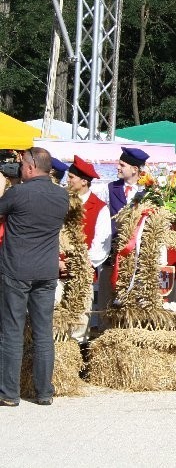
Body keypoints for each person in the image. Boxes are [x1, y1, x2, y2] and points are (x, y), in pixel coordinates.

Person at [0, 147, 69, 406]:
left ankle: (9, 393)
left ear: (29, 167)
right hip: (46, 271)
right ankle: (44, 392)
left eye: (21, 166)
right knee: (43, 332)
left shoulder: (18, 193)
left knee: (12, 331)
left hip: (16, 270)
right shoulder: (61, 196)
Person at [64, 155, 112, 341]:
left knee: (79, 323)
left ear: (84, 181)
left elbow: (102, 245)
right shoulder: (62, 201)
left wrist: (79, 264)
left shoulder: (99, 207)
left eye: (71, 177)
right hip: (56, 271)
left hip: (83, 273)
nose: (67, 180)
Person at [104, 147, 150, 236]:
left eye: (122, 165)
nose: (117, 167)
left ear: (134, 169)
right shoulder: (111, 188)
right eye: (118, 164)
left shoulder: (147, 192)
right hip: (113, 244)